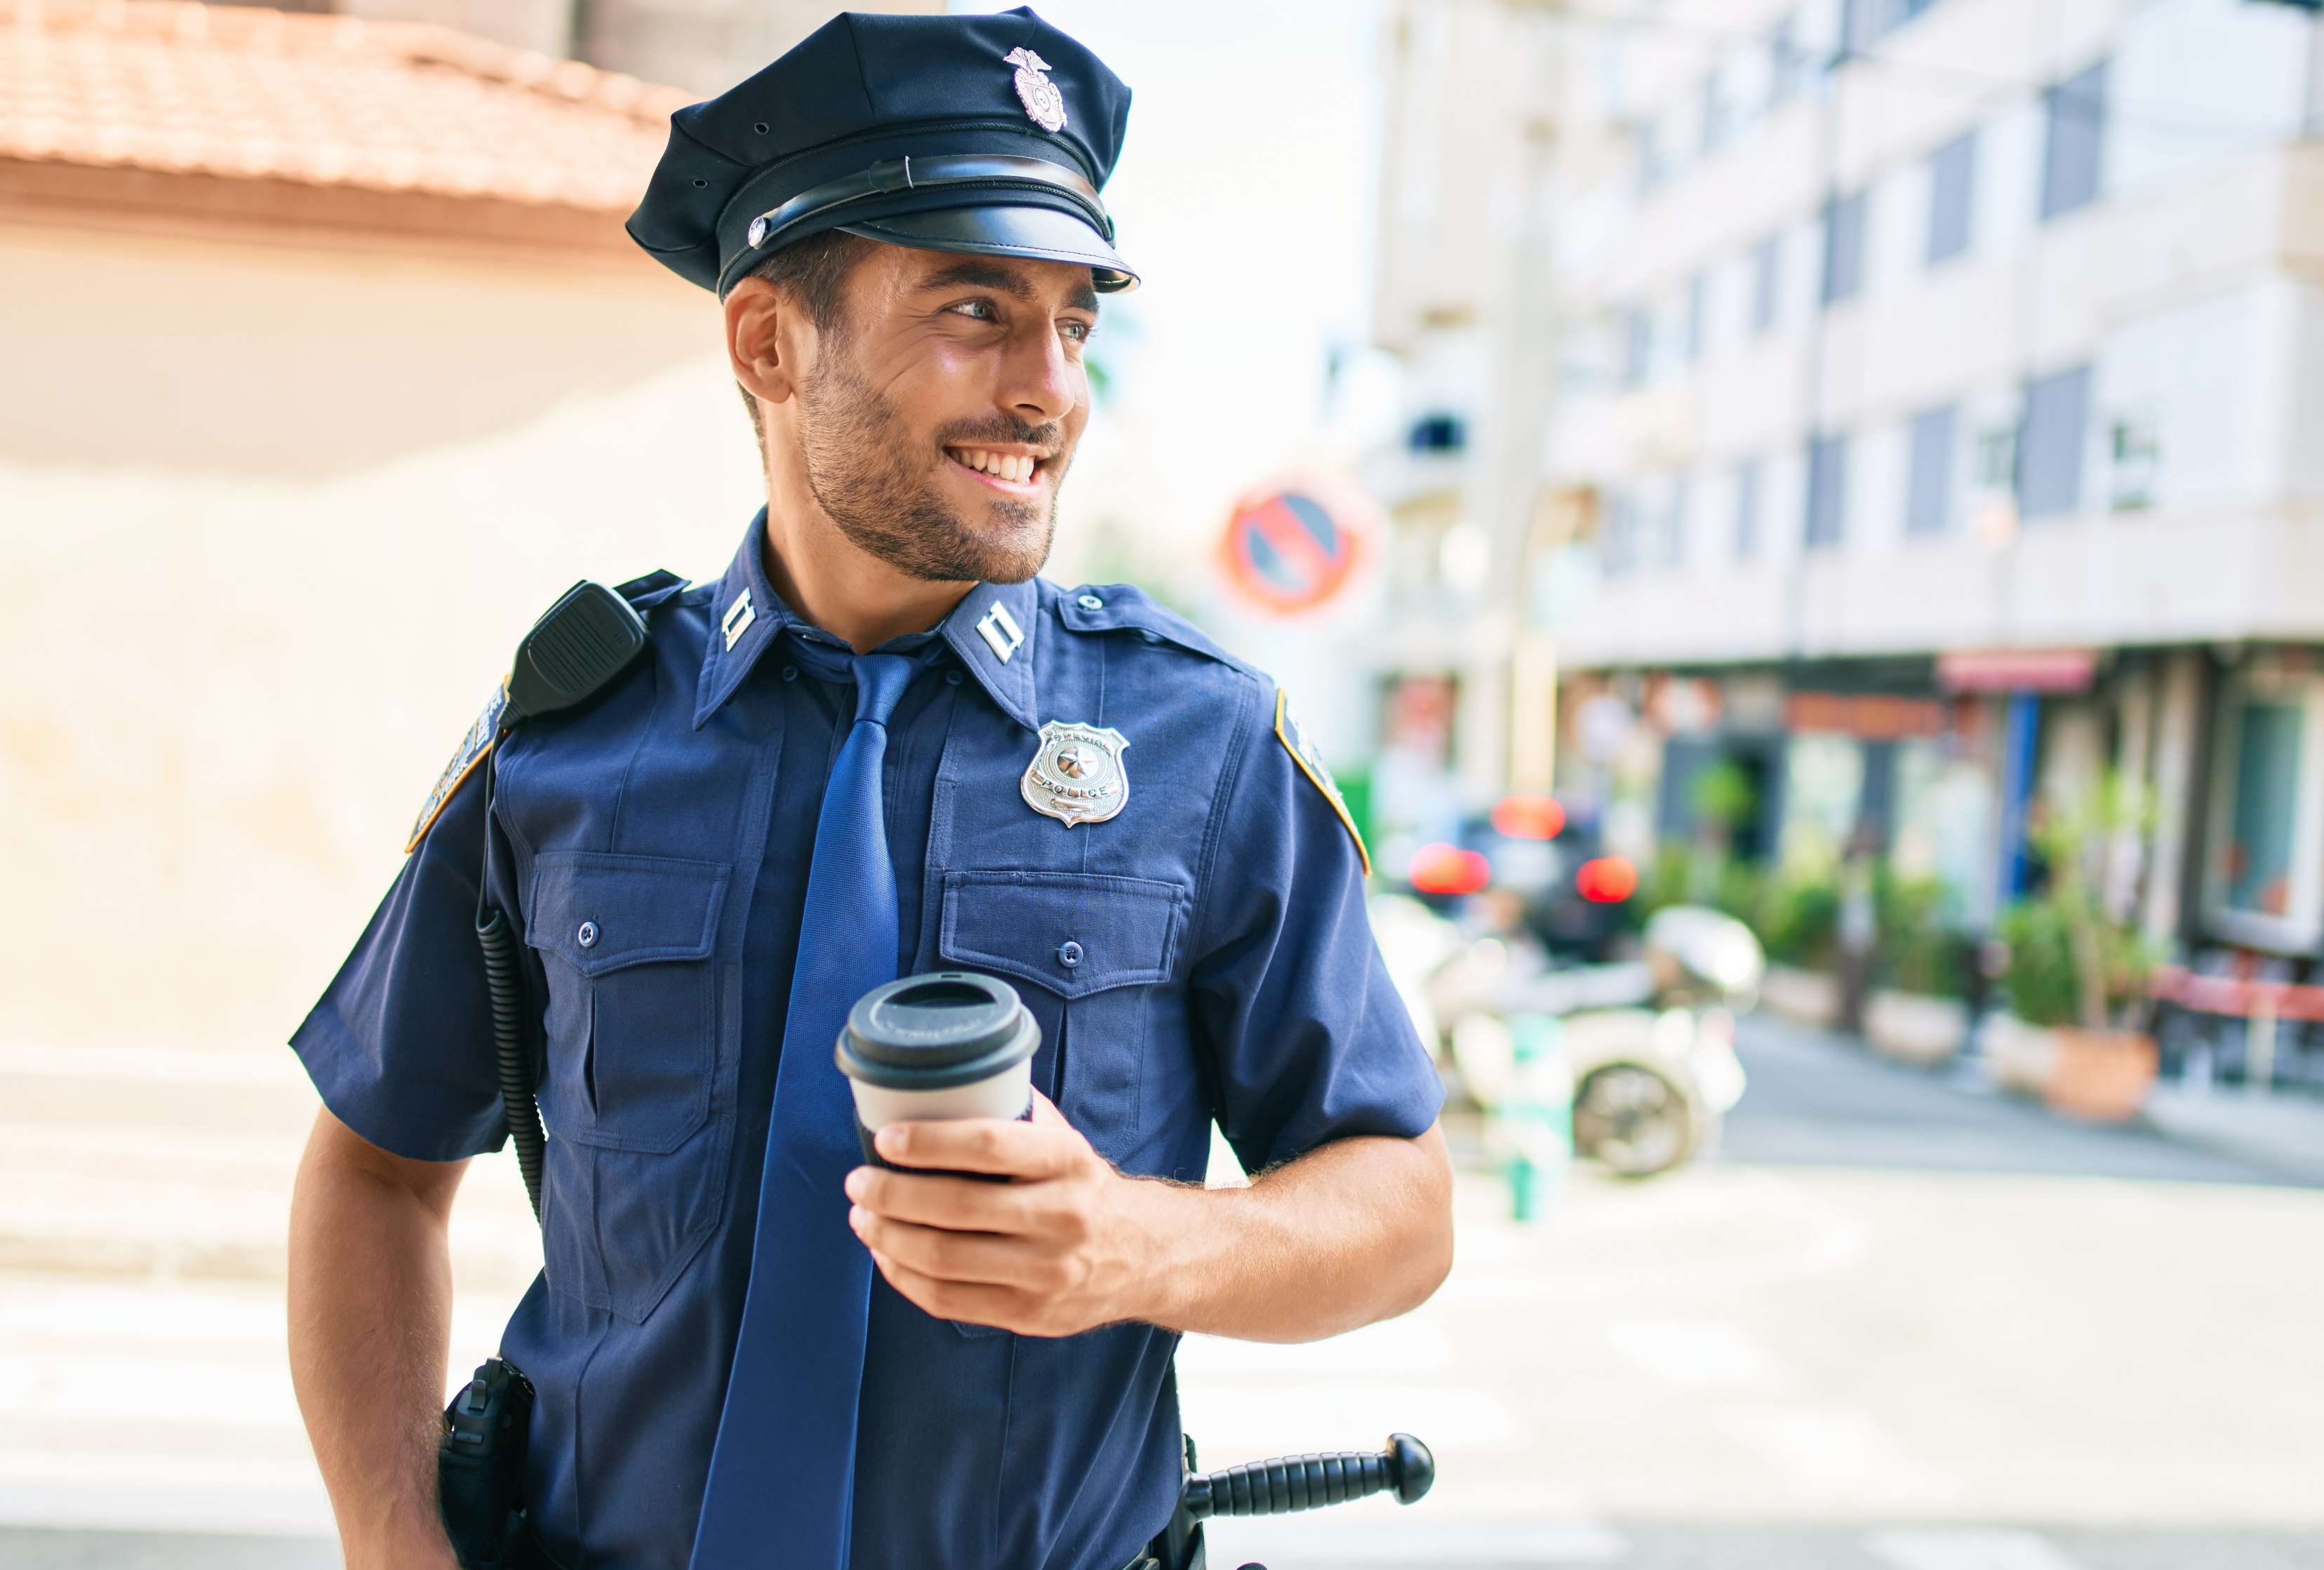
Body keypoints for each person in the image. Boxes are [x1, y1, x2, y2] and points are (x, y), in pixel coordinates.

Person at [282, 11, 1452, 1570]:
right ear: (768, 342)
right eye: (977, 310)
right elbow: (373, 1167)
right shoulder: (567, 739)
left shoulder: (1205, 743)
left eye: (1074, 325)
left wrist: (1138, 1247)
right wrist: (392, 1543)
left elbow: (1402, 1204)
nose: (1050, 391)